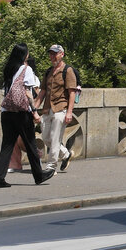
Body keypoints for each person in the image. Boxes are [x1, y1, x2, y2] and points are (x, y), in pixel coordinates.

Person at [0, 43, 53, 188]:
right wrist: (34, 112)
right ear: (24, 55)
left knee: (7, 146)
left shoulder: (8, 69)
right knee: (31, 144)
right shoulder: (26, 69)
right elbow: (27, 93)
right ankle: (39, 176)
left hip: (6, 112)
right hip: (21, 113)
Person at [39, 43, 78, 172]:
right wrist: (33, 108)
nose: (52, 56)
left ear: (62, 54)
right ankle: (66, 154)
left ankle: (51, 167)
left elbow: (72, 93)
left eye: (55, 54)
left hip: (61, 108)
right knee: (46, 138)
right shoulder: (48, 71)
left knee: (55, 139)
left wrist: (69, 112)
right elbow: (42, 92)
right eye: (51, 54)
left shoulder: (68, 70)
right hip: (47, 108)